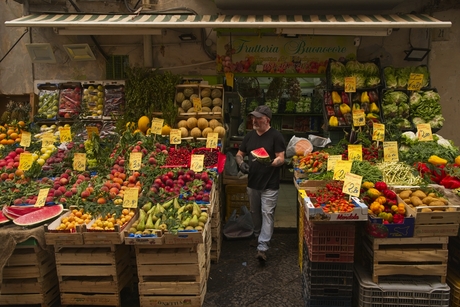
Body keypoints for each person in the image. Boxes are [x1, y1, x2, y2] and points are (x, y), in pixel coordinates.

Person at [235, 105, 286, 262]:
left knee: (267, 213)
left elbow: (281, 157)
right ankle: (258, 236)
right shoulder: (250, 136)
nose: (254, 121)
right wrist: (240, 164)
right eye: (253, 118)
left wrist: (271, 163)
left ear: (267, 120)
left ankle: (262, 247)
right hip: (253, 183)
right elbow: (239, 154)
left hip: (270, 183)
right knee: (255, 213)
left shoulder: (276, 136)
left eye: (258, 118)